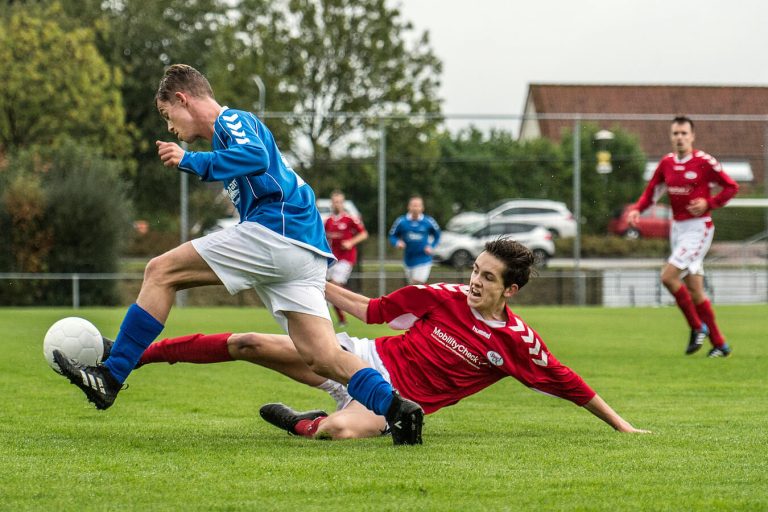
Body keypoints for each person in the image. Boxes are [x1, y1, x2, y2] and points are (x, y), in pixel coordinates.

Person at [52, 63, 423, 445]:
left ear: (183, 99)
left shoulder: (232, 121)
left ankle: (111, 375)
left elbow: (255, 157)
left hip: (279, 232)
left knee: (161, 271)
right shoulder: (225, 138)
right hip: (303, 251)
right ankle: (398, 409)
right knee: (324, 357)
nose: (169, 127)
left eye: (167, 114)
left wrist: (189, 160)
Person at [128, 239, 649, 439]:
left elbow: (567, 382)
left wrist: (623, 426)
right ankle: (134, 355)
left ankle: (303, 423)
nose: (474, 281)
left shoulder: (517, 342)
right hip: (357, 360)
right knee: (247, 343)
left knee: (340, 432)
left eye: (487, 278)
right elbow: (373, 311)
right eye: (475, 270)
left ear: (510, 290)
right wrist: (311, 281)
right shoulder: (440, 295)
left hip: (395, 403)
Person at [627, 116, 738, 358]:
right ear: (671, 136)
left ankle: (698, 327)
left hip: (699, 229)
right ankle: (720, 345)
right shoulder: (666, 163)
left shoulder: (704, 161)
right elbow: (652, 191)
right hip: (678, 230)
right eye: (676, 133)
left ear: (692, 136)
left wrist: (709, 203)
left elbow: (731, 187)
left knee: (668, 276)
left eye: (684, 133)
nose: (680, 137)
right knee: (695, 290)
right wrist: (637, 209)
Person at [324, 190, 368, 326]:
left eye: (339, 202)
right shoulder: (328, 221)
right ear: (331, 203)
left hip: (346, 259)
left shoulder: (349, 219)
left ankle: (360, 304)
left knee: (333, 286)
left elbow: (364, 234)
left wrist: (351, 242)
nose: (337, 204)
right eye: (334, 202)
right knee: (333, 290)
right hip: (333, 259)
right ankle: (342, 319)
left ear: (343, 203)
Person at [388, 195, 441, 285]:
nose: (415, 208)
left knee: (417, 283)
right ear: (409, 207)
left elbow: (438, 235)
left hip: (424, 258)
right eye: (413, 205)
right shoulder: (401, 221)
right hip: (408, 259)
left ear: (422, 208)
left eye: (418, 205)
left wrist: (431, 246)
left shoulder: (428, 221)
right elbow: (392, 235)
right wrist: (397, 242)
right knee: (412, 285)